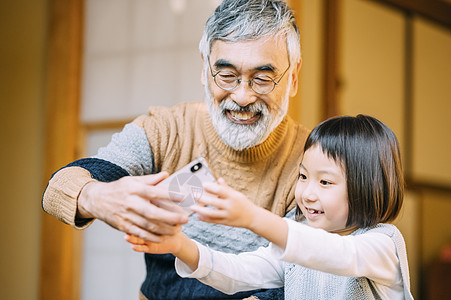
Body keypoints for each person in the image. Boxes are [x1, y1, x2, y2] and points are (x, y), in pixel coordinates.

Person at [42, 0, 309, 299]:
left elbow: (303, 278)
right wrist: (97, 196)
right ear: (204, 67)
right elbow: (59, 188)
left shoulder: (313, 160)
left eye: (262, 79)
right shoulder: (169, 130)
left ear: (294, 76)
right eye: (226, 75)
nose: (243, 96)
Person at [126, 115, 414, 300]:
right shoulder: (298, 245)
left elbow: (338, 255)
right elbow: (240, 273)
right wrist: (179, 244)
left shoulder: (381, 245)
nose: (307, 193)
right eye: (302, 176)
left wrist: (252, 217)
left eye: (325, 182)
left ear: (367, 186)